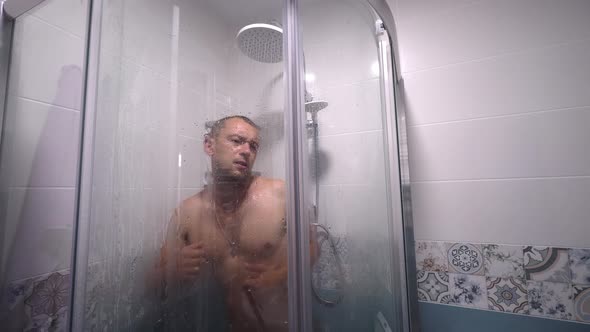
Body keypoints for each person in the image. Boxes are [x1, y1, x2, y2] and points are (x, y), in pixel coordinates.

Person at [155, 115, 316, 332]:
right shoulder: (187, 212)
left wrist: (277, 275)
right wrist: (171, 271)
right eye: (237, 141)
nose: (247, 150)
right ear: (209, 146)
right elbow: (152, 285)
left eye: (254, 145)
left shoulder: (281, 194)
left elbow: (313, 247)